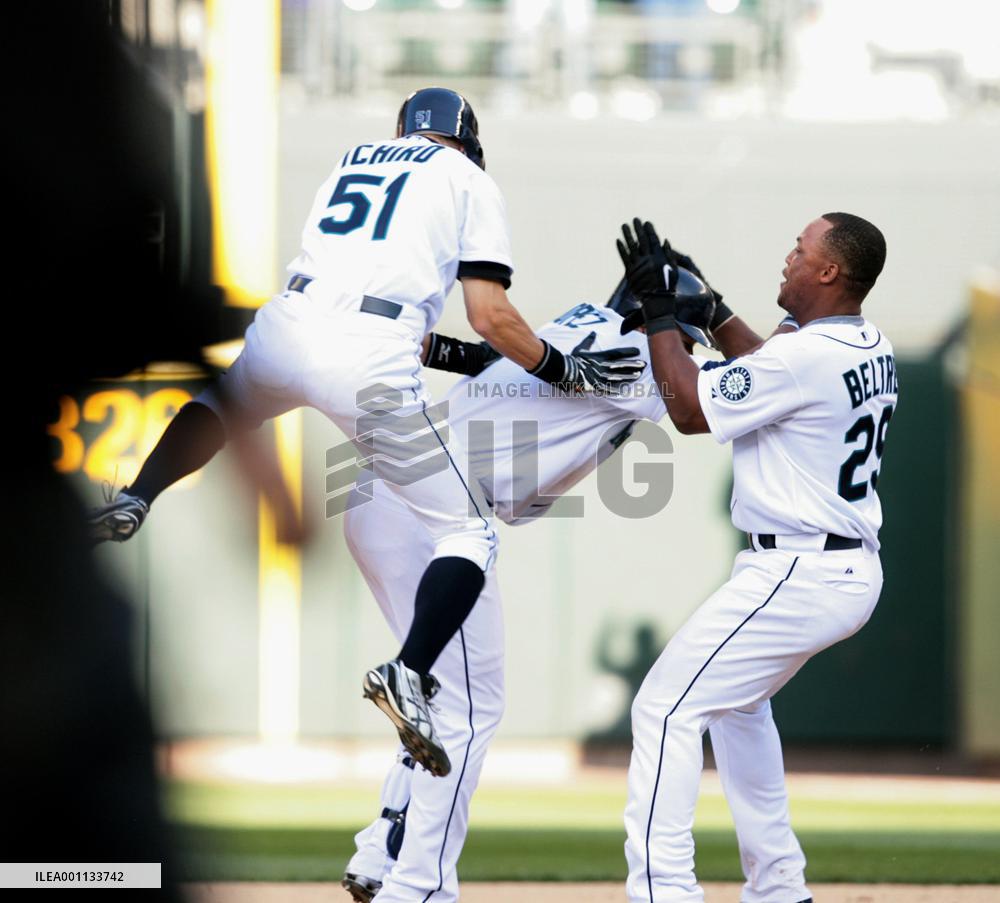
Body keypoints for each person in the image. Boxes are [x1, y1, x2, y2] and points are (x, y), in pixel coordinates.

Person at [87, 87, 645, 777]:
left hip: (289, 320)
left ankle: (138, 493)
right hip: (368, 349)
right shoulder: (466, 177)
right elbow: (490, 314)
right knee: (467, 530)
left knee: (227, 403)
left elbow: (432, 315)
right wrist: (565, 368)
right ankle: (408, 671)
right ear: (467, 140)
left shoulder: (354, 158)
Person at [338, 267, 738, 903]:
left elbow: (481, 359)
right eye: (681, 336)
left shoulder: (578, 323)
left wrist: (435, 348)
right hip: (438, 511)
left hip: (383, 491)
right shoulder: (641, 357)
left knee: (439, 695)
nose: (682, 349)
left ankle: (384, 847)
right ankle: (416, 887)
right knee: (470, 709)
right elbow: (735, 390)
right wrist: (719, 320)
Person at [615, 213, 894, 903]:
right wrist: (710, 310)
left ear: (830, 272)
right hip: (836, 564)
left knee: (664, 709)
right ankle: (779, 887)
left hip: (800, 567)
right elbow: (768, 366)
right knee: (738, 709)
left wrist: (658, 312)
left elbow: (689, 407)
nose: (789, 257)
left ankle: (663, 892)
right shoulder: (866, 343)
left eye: (802, 251)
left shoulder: (806, 357)